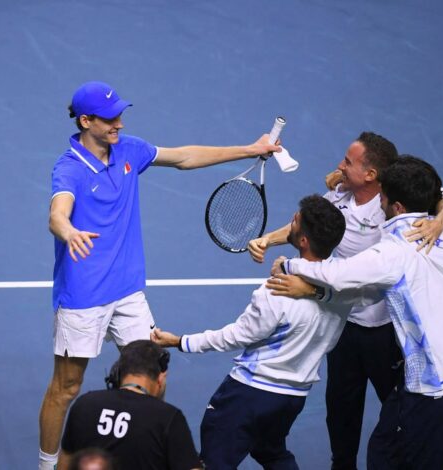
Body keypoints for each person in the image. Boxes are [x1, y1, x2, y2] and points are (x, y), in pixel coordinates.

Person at [38, 80, 282, 469]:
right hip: (83, 296)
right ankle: (47, 465)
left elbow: (184, 157)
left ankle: (144, 452)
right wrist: (68, 231)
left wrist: (251, 149)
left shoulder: (129, 149)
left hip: (128, 292)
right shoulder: (69, 168)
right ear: (86, 121)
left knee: (150, 373)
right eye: (110, 117)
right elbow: (57, 213)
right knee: (66, 388)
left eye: (120, 114)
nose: (118, 122)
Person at [247, 132, 443, 469]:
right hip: (344, 327)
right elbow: (305, 224)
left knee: (400, 408)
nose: (339, 166)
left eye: (348, 162)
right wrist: (267, 240)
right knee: (340, 409)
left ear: (372, 175)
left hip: (385, 331)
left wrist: (440, 223)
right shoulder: (340, 196)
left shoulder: (394, 203)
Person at [153, 194, 360, 469]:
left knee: (215, 461)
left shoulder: (277, 289)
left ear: (303, 241)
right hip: (293, 396)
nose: (290, 222)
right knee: (271, 451)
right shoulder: (346, 288)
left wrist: (181, 341)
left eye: (294, 221)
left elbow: (237, 336)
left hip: (249, 394)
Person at [58, 340, 202, 470]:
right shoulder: (168, 418)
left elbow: (64, 466)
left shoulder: (84, 405)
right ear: (161, 378)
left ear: (117, 374)